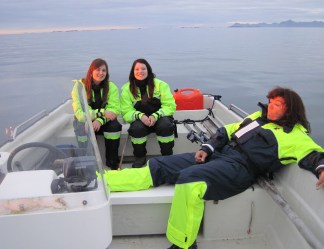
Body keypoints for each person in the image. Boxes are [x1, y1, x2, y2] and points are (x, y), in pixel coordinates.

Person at [103, 86, 324, 249]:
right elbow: (227, 131)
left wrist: (322, 168)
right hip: (219, 154)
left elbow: (314, 155)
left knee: (191, 181)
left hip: (240, 168)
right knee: (159, 164)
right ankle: (103, 181)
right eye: (271, 102)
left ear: (290, 110)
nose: (270, 107)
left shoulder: (295, 135)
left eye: (277, 105)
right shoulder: (258, 117)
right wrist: (207, 148)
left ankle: (183, 244)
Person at [120, 58, 176, 168]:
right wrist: (140, 116)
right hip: (141, 120)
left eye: (143, 68)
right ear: (132, 72)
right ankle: (140, 157)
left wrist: (156, 115)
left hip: (160, 117)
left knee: (165, 125)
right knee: (136, 129)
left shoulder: (161, 85)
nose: (140, 71)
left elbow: (170, 106)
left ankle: (167, 156)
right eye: (137, 69)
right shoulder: (127, 89)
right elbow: (126, 111)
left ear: (148, 70)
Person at [71, 58, 122, 170]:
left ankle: (112, 161)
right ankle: (87, 162)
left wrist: (99, 120)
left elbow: (113, 110)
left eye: (104, 70)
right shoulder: (79, 87)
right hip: (85, 120)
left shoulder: (111, 87)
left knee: (115, 127)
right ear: (91, 71)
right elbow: (80, 113)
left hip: (104, 121)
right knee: (81, 127)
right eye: (98, 70)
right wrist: (101, 113)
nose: (101, 73)